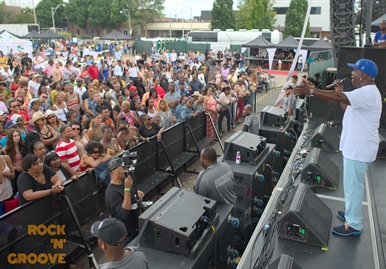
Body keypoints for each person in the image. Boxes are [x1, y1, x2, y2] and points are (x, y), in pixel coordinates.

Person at [294, 59, 381, 236]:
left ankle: (354, 224)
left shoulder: (367, 93)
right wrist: (339, 92)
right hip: (357, 148)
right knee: (350, 185)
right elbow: (345, 105)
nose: (352, 74)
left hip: (359, 150)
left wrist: (311, 91)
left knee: (354, 187)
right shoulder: (365, 93)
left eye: (355, 71)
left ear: (363, 75)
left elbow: (340, 99)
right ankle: (351, 213)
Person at [105, 158, 145, 245]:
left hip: (136, 227)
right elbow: (124, 214)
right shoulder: (111, 193)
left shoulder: (125, 182)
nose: (126, 170)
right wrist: (127, 189)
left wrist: (138, 197)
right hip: (127, 235)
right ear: (114, 171)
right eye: (123, 168)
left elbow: (132, 200)